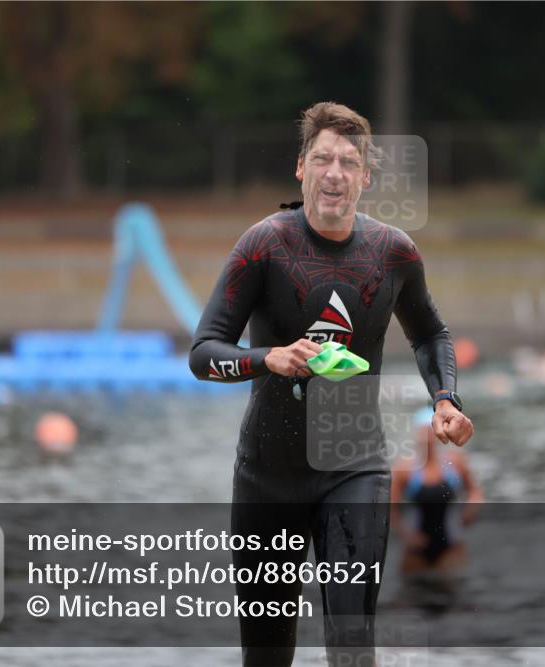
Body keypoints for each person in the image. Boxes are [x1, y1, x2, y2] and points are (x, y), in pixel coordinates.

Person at [190, 101, 474, 667]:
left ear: (366, 178)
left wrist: (444, 399)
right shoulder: (263, 244)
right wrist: (266, 358)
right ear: (302, 168)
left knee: (350, 646)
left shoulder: (393, 252)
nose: (334, 173)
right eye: (323, 158)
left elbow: (431, 334)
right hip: (266, 478)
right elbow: (202, 353)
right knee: (267, 657)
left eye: (348, 162)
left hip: (354, 470)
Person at [390, 407, 484, 576]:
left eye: (430, 431)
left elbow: (475, 490)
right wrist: (405, 535)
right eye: (423, 432)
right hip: (417, 546)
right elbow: (391, 507)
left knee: (453, 590)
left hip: (452, 543)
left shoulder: (455, 462)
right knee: (415, 592)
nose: (427, 437)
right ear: (416, 434)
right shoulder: (404, 469)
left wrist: (471, 508)